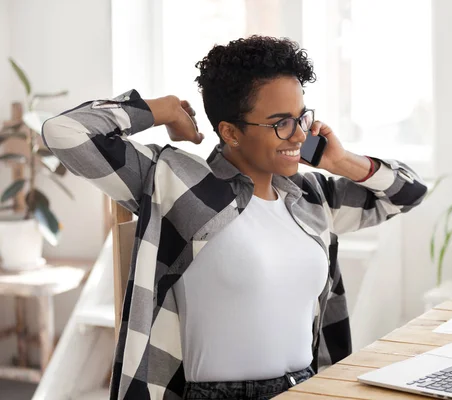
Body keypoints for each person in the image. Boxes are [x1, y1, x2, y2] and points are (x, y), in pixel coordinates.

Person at [42, 35, 427, 400]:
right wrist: (162, 109)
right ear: (230, 132)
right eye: (281, 123)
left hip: (309, 386)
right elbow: (65, 132)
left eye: (302, 118)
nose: (298, 136)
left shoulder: (309, 197)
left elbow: (407, 193)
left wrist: (340, 160)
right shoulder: (180, 183)